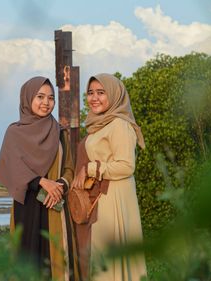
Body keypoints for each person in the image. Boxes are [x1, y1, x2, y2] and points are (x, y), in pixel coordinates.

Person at [0, 76, 80, 281]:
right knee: (27, 262)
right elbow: (11, 168)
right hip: (27, 206)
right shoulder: (14, 133)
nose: (46, 102)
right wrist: (43, 182)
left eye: (51, 98)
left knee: (57, 263)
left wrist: (59, 186)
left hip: (54, 205)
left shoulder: (60, 133)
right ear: (27, 98)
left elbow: (69, 168)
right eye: (40, 97)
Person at [71, 73, 147, 281]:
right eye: (90, 93)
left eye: (101, 93)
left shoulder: (119, 125)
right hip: (102, 197)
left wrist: (90, 169)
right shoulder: (100, 125)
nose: (94, 98)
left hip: (113, 199)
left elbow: (126, 166)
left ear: (114, 95)